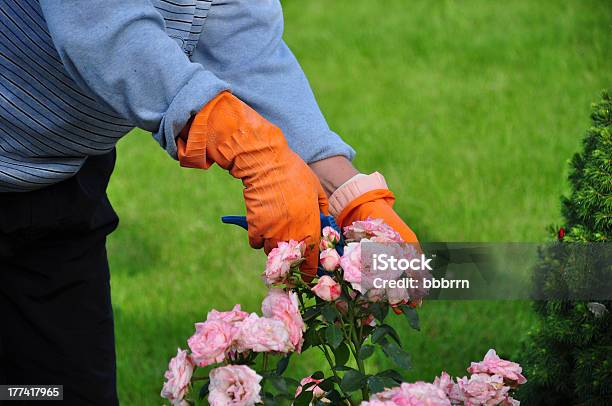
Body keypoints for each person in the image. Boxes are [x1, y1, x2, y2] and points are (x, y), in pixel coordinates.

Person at [0, 0, 418, 403]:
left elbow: (242, 38)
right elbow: (99, 24)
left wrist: (347, 191)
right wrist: (246, 145)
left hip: (57, 184)